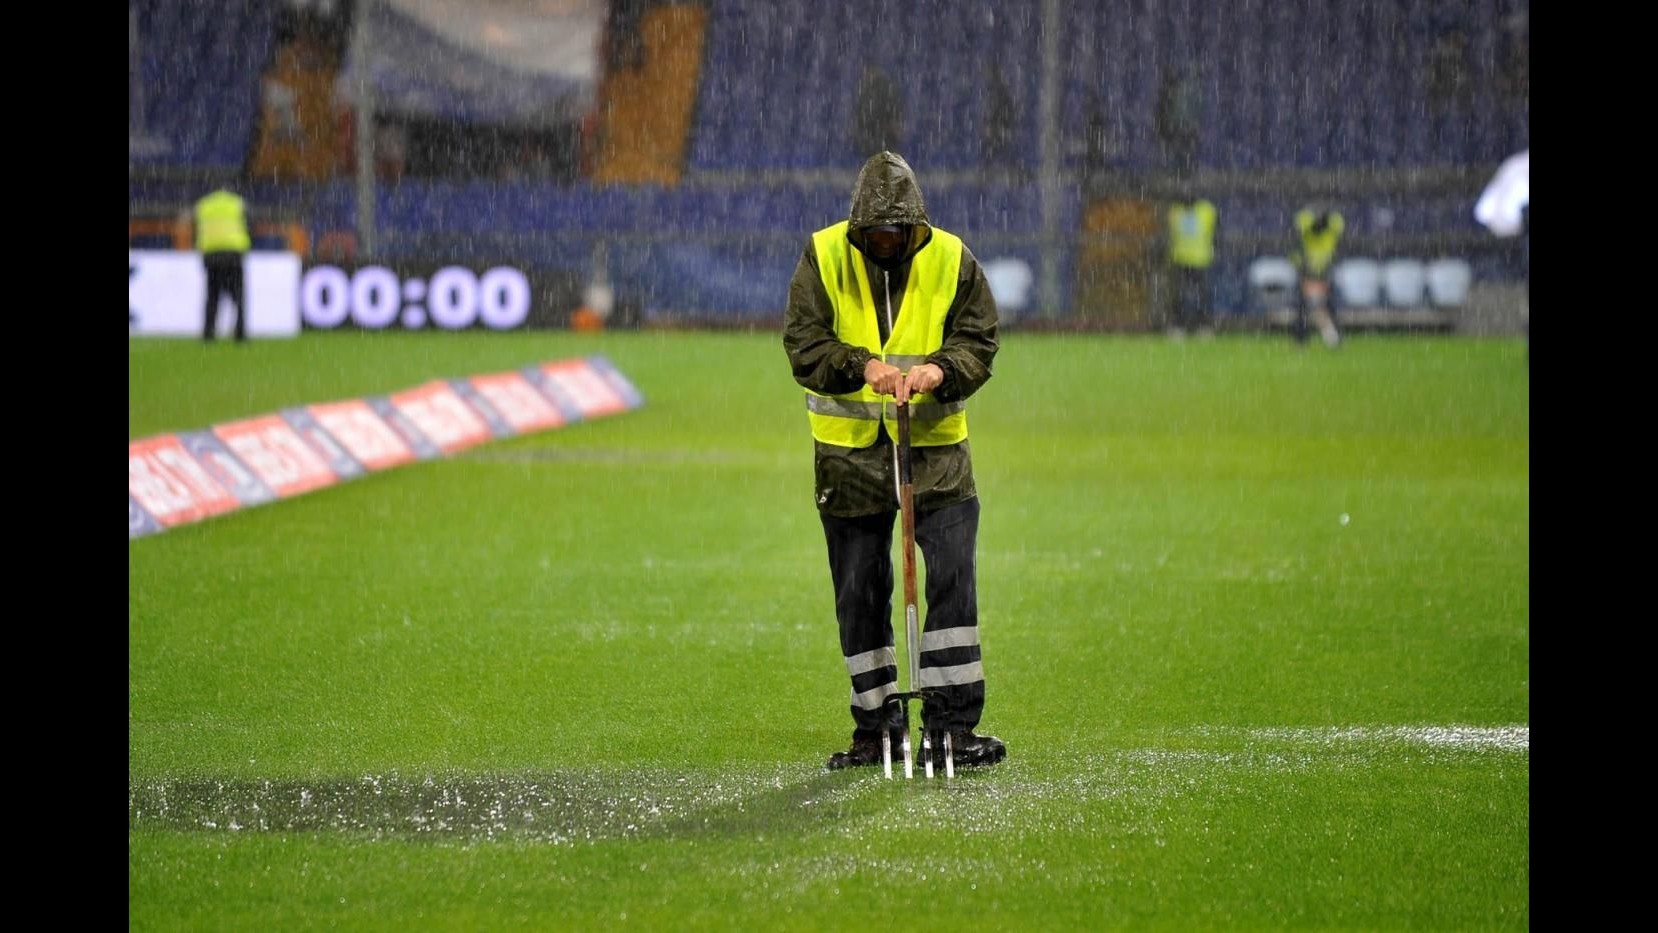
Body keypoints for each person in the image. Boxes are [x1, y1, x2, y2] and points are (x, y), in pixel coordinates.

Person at [782, 151, 1005, 771]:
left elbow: (978, 339)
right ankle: (876, 729)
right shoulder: (824, 255)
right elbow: (805, 345)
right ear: (857, 228)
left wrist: (940, 370)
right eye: (873, 234)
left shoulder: (953, 258)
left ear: (914, 227)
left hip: (937, 456)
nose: (883, 243)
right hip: (849, 463)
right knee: (859, 594)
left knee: (954, 583)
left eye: (894, 233)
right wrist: (864, 367)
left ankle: (952, 730)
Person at [194, 187, 252, 343]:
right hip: (232, 253)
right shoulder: (236, 203)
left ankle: (208, 332)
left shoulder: (204, 205)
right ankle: (240, 332)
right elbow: (248, 226)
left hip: (211, 254)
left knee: (212, 296)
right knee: (238, 296)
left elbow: (196, 229)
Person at [1290, 205, 1344, 348]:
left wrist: (1325, 276)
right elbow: (1296, 252)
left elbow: (1335, 253)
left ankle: (1335, 338)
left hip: (1325, 272)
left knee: (1328, 306)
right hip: (1307, 272)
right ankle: (1301, 339)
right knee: (1304, 307)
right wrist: (1304, 274)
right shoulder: (1304, 231)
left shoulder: (1331, 231)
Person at [1165, 193, 1218, 338]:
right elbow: (1170, 234)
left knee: (1202, 295)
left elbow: (1217, 232)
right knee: (1178, 295)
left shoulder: (1207, 210)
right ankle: (1178, 325)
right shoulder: (1175, 210)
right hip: (1180, 258)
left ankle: (1203, 326)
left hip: (1201, 259)